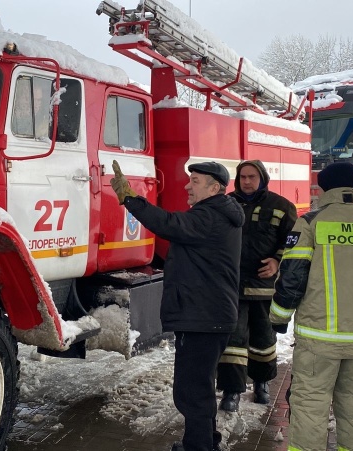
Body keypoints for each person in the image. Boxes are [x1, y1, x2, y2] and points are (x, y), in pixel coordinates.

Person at [110, 160, 244, 451]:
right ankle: (206, 441)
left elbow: (169, 224)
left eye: (195, 181)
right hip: (209, 315)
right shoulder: (217, 214)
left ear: (215, 187)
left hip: (202, 317)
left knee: (191, 391)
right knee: (201, 386)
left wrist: (131, 200)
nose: (187, 185)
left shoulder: (209, 217)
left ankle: (198, 447)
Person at [268, 162, 353, 450]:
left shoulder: (312, 222)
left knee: (310, 406)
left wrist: (278, 317)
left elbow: (293, 277)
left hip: (319, 338)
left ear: (324, 187)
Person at [216, 160, 297, 412]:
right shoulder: (225, 204)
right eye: (242, 177)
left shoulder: (282, 207)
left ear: (262, 178)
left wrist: (277, 260)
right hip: (232, 287)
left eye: (252, 177)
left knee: (264, 339)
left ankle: (261, 383)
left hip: (265, 288)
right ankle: (232, 391)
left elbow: (295, 242)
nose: (247, 181)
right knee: (233, 340)